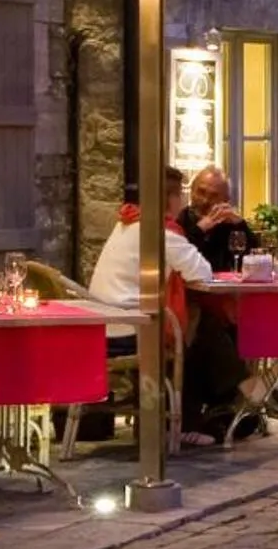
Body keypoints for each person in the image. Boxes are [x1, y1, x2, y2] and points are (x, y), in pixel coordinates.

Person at [90, 167, 242, 443]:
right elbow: (202, 273)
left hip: (103, 326)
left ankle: (212, 406)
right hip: (129, 329)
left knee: (197, 323)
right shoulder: (163, 232)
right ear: (172, 198)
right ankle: (230, 397)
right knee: (197, 327)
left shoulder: (126, 222)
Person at [181, 166, 256, 272]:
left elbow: (254, 261)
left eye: (214, 195)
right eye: (201, 192)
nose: (205, 200)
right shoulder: (179, 220)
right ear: (192, 190)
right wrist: (200, 229)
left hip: (222, 287)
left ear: (225, 200)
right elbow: (180, 257)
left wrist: (241, 225)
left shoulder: (229, 226)